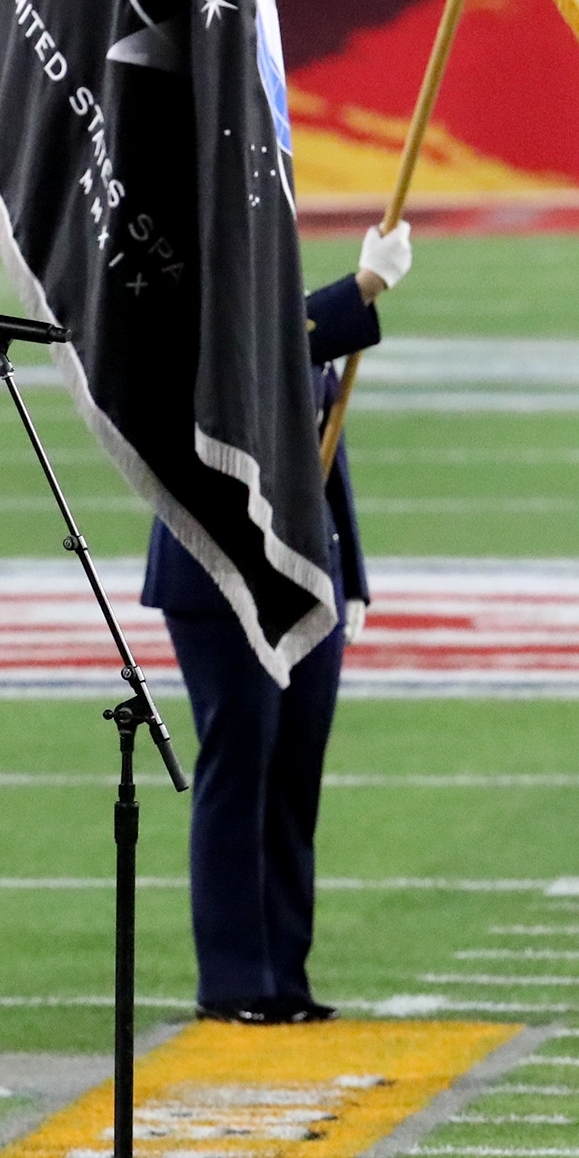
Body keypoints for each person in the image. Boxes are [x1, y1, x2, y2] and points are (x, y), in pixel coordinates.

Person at [143, 221, 414, 1025]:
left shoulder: (275, 299)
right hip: (221, 570)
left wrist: (350, 571)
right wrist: (359, 291)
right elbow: (248, 363)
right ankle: (234, 977)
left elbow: (321, 440)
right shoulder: (178, 293)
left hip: (306, 571)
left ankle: (284, 974)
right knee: (242, 765)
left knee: (294, 775)